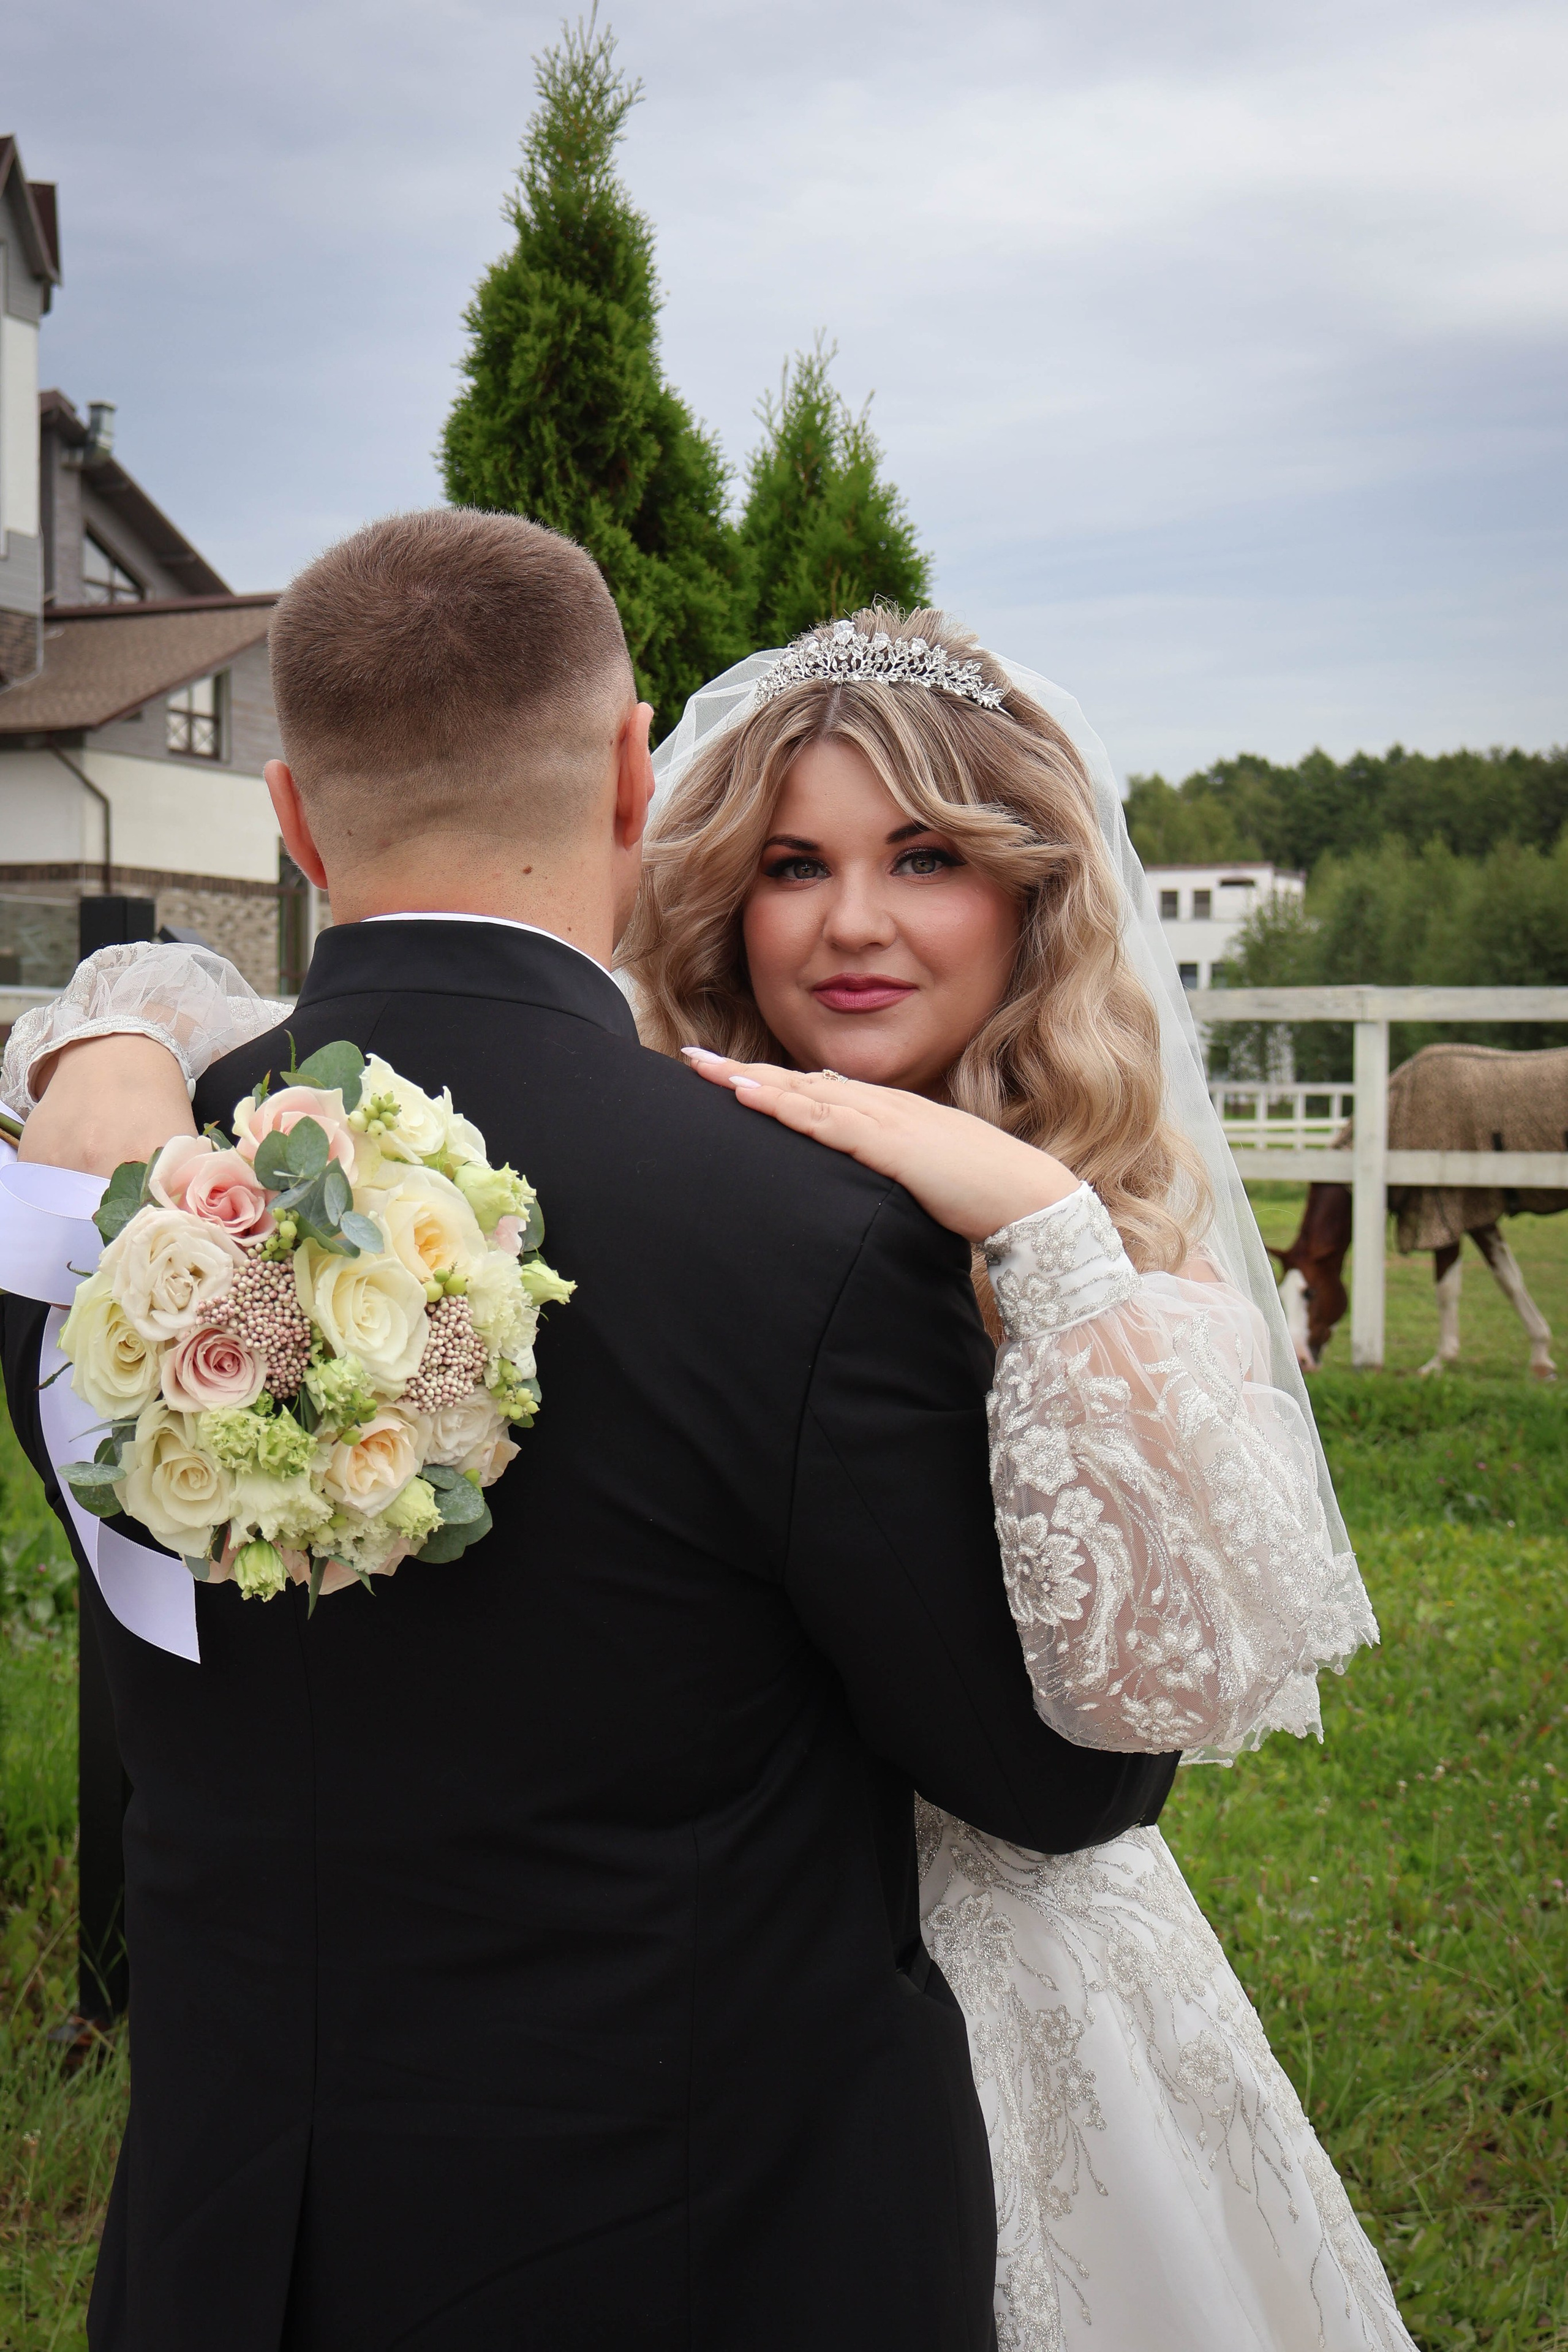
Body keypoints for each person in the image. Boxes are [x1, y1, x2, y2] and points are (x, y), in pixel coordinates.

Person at [3, 590, 1412, 2351]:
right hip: (682, 2064)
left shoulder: (1105, 1234)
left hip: (992, 1986)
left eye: (925, 860)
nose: (853, 925)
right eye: (792, 866)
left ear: (1030, 890)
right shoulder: (661, 1167)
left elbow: (1109, 1769)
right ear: (682, 840)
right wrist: (103, 1041)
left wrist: (1043, 1237)